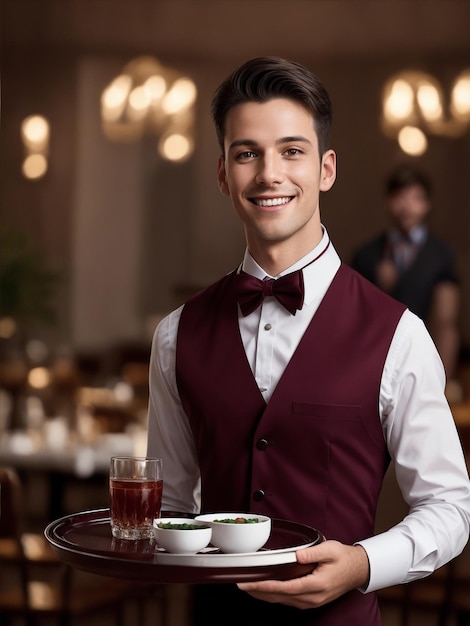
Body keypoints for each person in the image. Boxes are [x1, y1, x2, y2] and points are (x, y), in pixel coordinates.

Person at [146, 57, 470, 625]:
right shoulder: (176, 336)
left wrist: (362, 564)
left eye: (291, 151)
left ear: (326, 169)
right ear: (223, 173)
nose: (270, 174)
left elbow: (450, 508)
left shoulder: (399, 334)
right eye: (247, 153)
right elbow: (170, 506)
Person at [351, 165, 460, 382]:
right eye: (400, 197)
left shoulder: (441, 254)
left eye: (416, 198)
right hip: (377, 362)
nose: (408, 206)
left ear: (427, 204)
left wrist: (440, 381)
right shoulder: (367, 254)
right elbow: (354, 318)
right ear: (386, 201)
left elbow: (446, 322)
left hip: (425, 358)